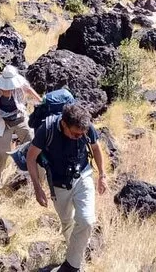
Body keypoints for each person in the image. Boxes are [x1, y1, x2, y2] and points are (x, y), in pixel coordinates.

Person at [26, 103, 107, 272]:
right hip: (58, 184)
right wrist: (37, 188)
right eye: (75, 134)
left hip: (83, 175)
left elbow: (95, 147)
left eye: (82, 134)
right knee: (67, 222)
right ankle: (76, 254)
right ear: (64, 124)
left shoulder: (85, 127)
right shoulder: (47, 130)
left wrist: (102, 175)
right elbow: (31, 157)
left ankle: (72, 266)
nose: (79, 137)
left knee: (86, 220)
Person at [0, 65, 41, 184]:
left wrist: (41, 101)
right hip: (3, 122)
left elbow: (28, 89)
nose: (7, 89)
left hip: (20, 117)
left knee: (34, 145)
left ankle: (39, 179)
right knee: (2, 152)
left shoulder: (20, 85)